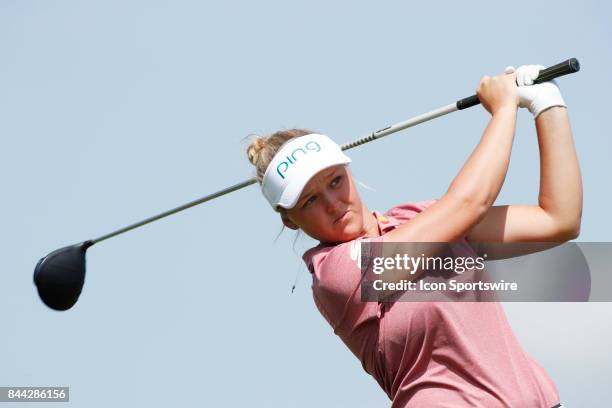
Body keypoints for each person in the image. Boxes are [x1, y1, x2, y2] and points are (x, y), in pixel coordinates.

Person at [245, 65, 582, 407]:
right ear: (290, 221)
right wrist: (504, 108)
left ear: (348, 170)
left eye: (335, 181)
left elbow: (558, 220)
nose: (333, 203)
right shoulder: (336, 275)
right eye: (311, 200)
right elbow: (468, 202)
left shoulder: (418, 219)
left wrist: (546, 105)